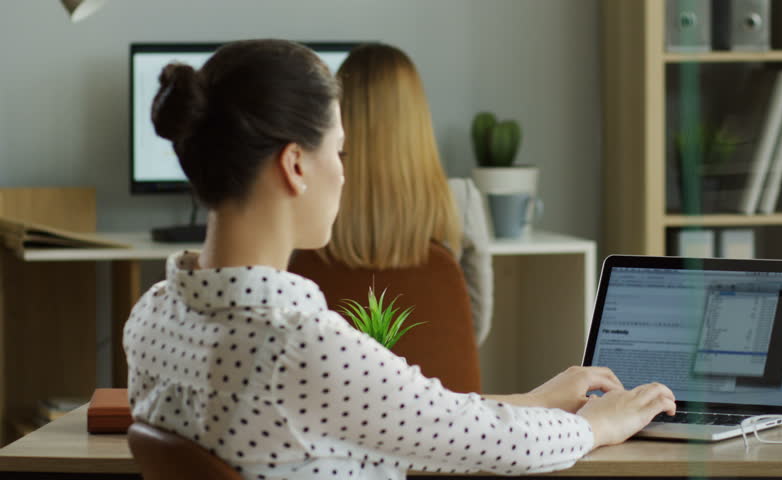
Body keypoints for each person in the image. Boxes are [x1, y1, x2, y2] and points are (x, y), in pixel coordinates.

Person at [123, 39, 676, 480]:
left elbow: (398, 416)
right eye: (338, 151)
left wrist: (532, 401)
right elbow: (499, 445)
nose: (344, 171)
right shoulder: (297, 342)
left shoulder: (153, 315)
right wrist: (598, 427)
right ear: (295, 165)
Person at [320, 43, 493, 345]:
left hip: (334, 385)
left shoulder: (312, 200)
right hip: (436, 388)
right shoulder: (460, 199)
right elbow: (474, 326)